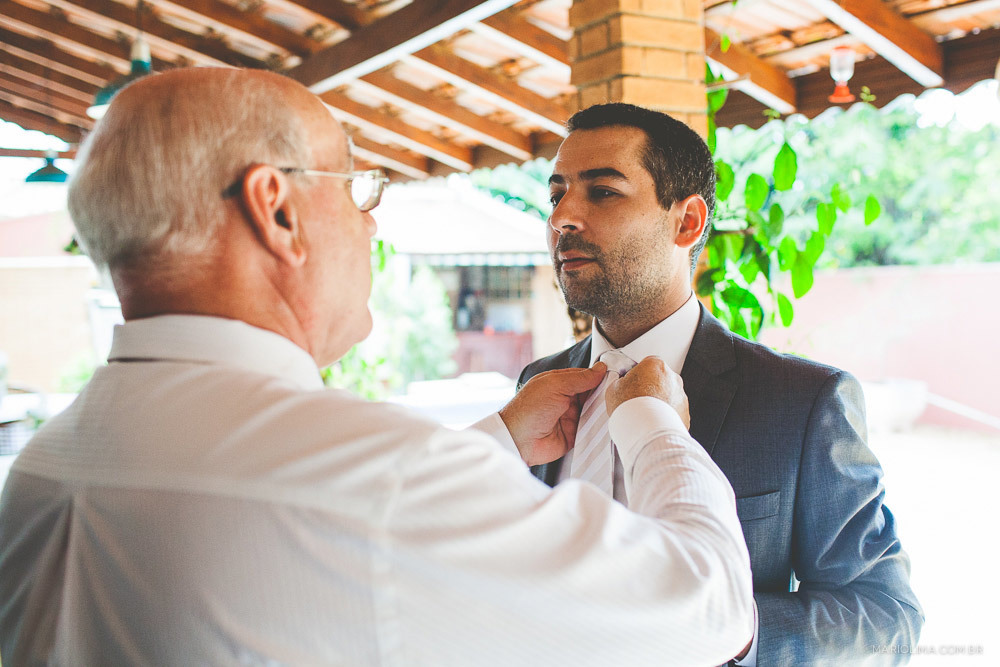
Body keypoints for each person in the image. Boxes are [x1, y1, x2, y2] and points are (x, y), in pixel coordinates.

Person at [0, 69, 753, 665]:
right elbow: (708, 606)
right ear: (277, 210)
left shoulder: (44, 465)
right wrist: (652, 423)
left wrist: (494, 441)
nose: (370, 224)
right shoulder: (372, 475)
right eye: (356, 188)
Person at [509, 103, 924, 664]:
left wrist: (728, 626)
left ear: (687, 222)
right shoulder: (538, 385)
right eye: (556, 194)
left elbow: (887, 618)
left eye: (603, 192)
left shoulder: (802, 402)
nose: (563, 217)